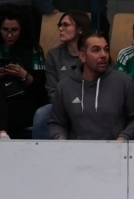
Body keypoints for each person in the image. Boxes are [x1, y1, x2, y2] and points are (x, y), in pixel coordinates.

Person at [0, 4, 46, 138]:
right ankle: (2, 135)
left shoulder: (33, 50)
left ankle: (1, 136)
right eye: (5, 30)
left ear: (22, 29)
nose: (9, 35)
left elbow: (41, 89)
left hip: (21, 98)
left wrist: (23, 75)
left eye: (14, 30)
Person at [49, 34, 134, 140]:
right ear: (82, 56)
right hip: (77, 148)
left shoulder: (124, 82)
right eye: (96, 50)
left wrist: (123, 139)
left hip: (114, 148)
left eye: (106, 50)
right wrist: (60, 138)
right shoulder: (65, 85)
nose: (104, 55)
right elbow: (56, 123)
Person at [31, 10, 90, 141]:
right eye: (60, 25)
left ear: (80, 29)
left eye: (66, 25)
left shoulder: (92, 54)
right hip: (61, 105)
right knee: (41, 114)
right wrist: (69, 106)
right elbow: (52, 90)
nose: (61, 29)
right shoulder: (54, 55)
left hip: (89, 104)